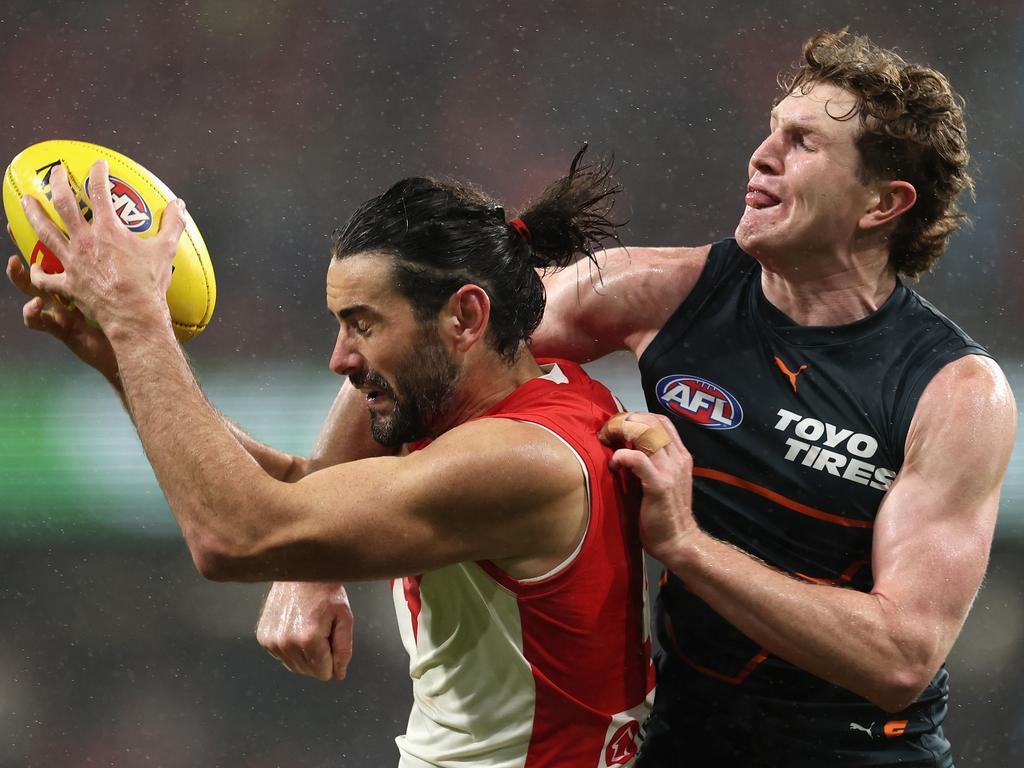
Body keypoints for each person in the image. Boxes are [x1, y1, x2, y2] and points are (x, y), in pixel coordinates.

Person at [255, 30, 1017, 767]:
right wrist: (309, 561)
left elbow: (900, 656)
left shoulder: (953, 393)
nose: (762, 154)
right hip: (677, 742)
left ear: (883, 205)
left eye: (805, 143)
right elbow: (423, 341)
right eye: (771, 130)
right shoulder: (655, 291)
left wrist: (688, 546)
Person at [6, 149, 658, 766]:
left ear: (465, 317)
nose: (340, 358)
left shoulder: (524, 461)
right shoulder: (510, 406)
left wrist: (136, 320)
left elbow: (243, 536)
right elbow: (299, 488)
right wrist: (123, 363)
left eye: (363, 323)